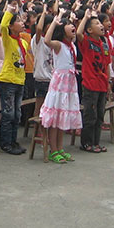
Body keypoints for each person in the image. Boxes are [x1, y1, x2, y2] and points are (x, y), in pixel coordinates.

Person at [40, 8, 81, 163]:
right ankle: (53, 150)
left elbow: (78, 30)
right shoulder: (59, 45)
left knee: (63, 118)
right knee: (55, 119)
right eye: (69, 24)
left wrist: (75, 19)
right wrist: (55, 22)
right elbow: (46, 40)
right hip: (59, 86)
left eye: (73, 24)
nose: (72, 26)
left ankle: (60, 148)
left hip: (69, 85)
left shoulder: (72, 46)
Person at [76, 8, 110, 153]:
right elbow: (78, 33)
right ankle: (86, 143)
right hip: (90, 84)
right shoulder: (87, 42)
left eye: (100, 23)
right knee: (90, 115)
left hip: (102, 84)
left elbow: (106, 64)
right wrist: (86, 17)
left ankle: (96, 142)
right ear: (89, 30)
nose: (101, 25)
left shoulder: (104, 43)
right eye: (97, 24)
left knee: (100, 116)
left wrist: (108, 83)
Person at [0, 2, 28, 155]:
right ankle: (6, 143)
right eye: (18, 21)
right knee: (8, 113)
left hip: (19, 80)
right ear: (11, 26)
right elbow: (2, 27)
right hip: (8, 81)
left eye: (22, 20)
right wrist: (9, 11)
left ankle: (13, 141)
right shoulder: (8, 40)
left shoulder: (23, 42)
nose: (22, 23)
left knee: (17, 114)